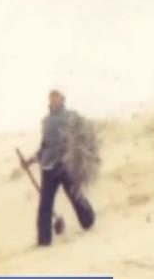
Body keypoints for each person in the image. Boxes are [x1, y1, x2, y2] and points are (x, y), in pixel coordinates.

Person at [22, 89, 96, 246]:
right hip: (48, 167)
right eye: (51, 98)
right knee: (45, 204)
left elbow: (84, 133)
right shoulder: (46, 121)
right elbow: (44, 147)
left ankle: (89, 220)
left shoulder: (71, 116)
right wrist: (30, 160)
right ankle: (44, 240)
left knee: (74, 195)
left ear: (63, 100)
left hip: (65, 164)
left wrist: (82, 153)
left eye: (56, 98)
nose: (53, 101)